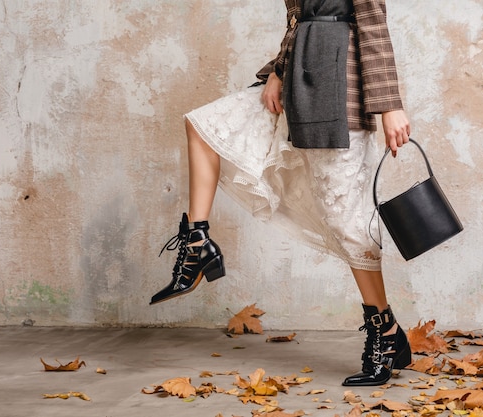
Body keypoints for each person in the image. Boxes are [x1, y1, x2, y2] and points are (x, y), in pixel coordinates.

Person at [151, 0, 412, 387]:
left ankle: (385, 332)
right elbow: (299, 19)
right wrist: (277, 71)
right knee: (205, 126)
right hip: (297, 83)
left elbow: (372, 23)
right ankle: (197, 243)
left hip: (339, 94)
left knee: (347, 223)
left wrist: (390, 106)